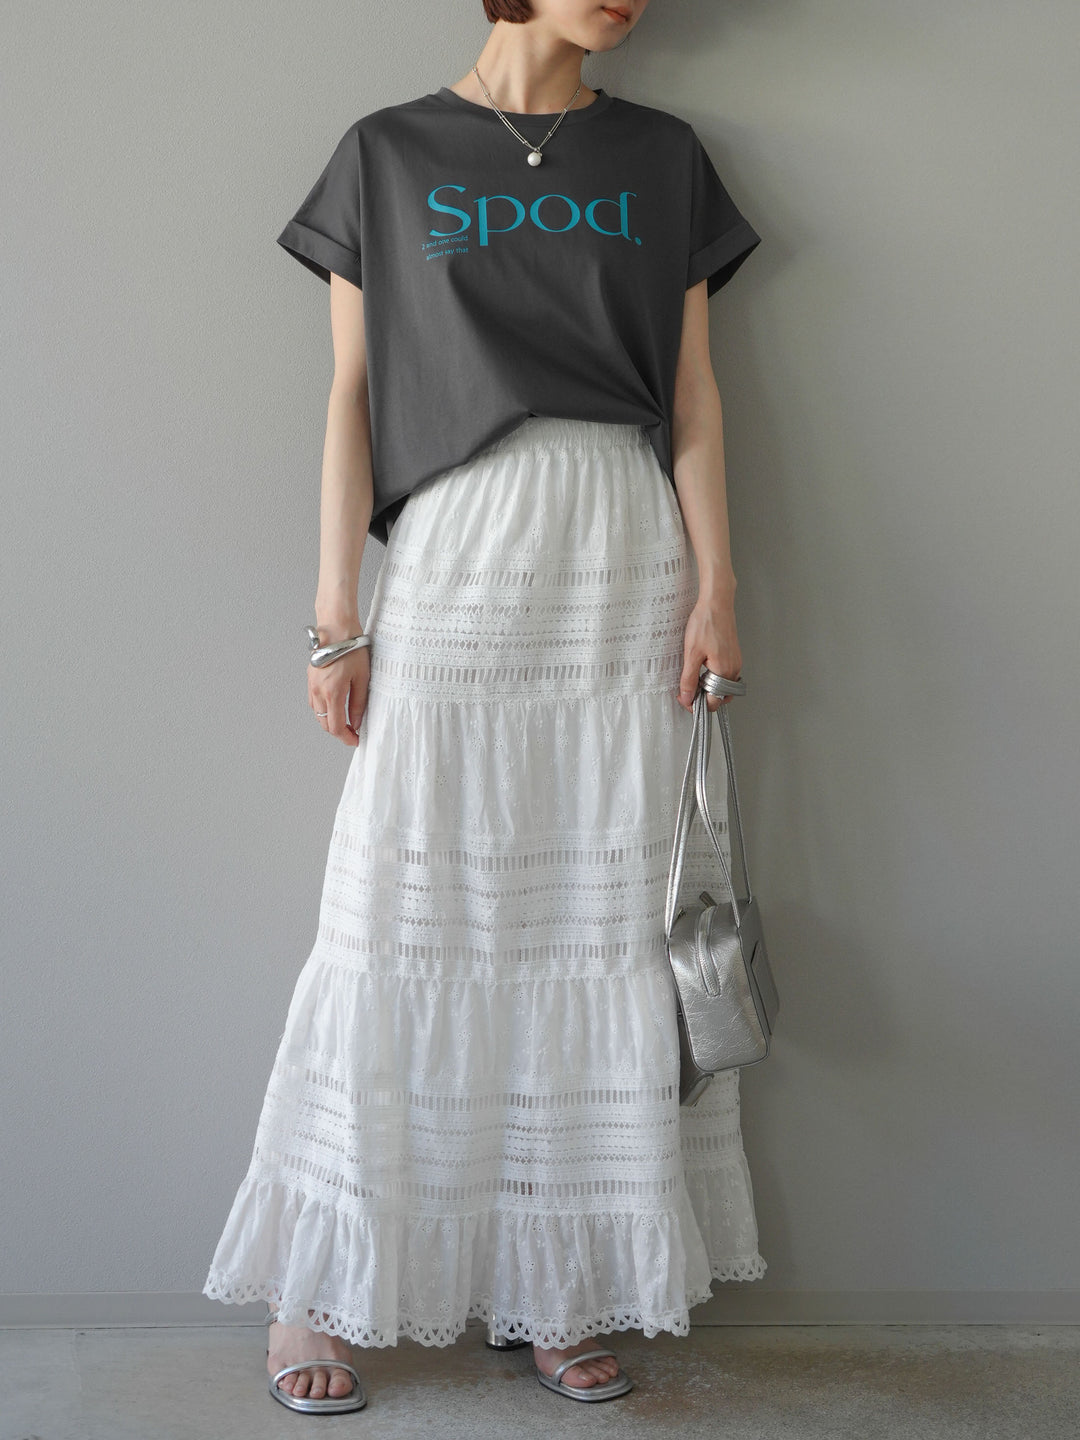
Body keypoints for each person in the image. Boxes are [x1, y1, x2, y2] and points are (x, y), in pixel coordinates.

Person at [203, 0, 767, 1412]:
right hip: (459, 549)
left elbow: (694, 394)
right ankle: (317, 1293)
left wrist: (719, 587)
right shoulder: (389, 154)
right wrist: (335, 617)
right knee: (404, 909)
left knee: (593, 917)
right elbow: (351, 394)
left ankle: (554, 1284)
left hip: (623, 553)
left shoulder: (664, 157)